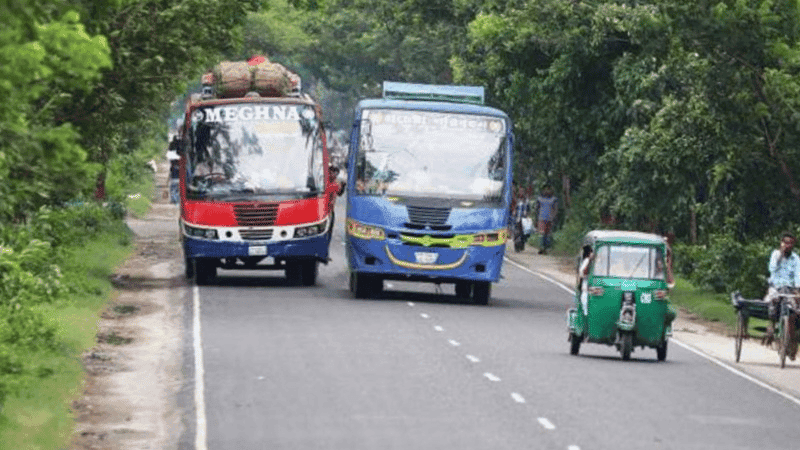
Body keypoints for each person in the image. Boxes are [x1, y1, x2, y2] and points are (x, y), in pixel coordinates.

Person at [763, 231, 800, 349]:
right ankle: (771, 326)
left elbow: (798, 275)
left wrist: (797, 288)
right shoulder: (775, 254)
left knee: (794, 308)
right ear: (781, 243)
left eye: (790, 243)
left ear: (793, 245)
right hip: (776, 287)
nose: (788, 245)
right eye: (785, 243)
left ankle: (790, 337)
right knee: (773, 301)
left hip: (789, 289)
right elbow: (772, 268)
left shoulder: (796, 259)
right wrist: (780, 255)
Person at [535, 184, 558, 254]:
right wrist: (536, 218)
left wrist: (554, 217)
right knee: (541, 234)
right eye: (546, 189)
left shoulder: (553, 199)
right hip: (541, 218)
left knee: (548, 234)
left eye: (549, 189)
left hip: (550, 219)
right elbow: (537, 208)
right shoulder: (540, 199)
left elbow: (555, 209)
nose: (547, 191)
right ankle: (541, 248)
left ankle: (547, 248)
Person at [578, 245, 593, 315]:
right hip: (587, 281)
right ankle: (586, 313)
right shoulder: (587, 260)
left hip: (588, 281)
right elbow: (582, 271)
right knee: (585, 297)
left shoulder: (590, 261)